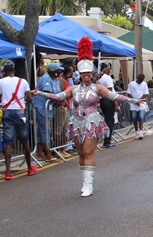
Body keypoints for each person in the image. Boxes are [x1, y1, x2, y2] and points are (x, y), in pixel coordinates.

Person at [34, 37, 145, 196]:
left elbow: (114, 96)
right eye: (83, 73)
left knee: (88, 152)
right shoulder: (73, 88)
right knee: (80, 153)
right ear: (80, 74)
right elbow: (58, 96)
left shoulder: (97, 88)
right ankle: (84, 182)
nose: (86, 75)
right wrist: (39, 93)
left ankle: (89, 185)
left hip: (92, 122)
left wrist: (134, 100)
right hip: (77, 122)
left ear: (91, 73)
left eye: (88, 72)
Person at [0, 60, 36, 180]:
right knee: (25, 141)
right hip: (20, 112)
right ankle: (29, 168)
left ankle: (8, 172)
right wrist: (29, 95)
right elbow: (29, 99)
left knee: (8, 143)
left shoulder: (1, 82)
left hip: (7, 111)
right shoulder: (23, 81)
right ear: (14, 71)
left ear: (4, 72)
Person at [32, 62, 63, 162]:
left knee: (44, 130)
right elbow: (48, 93)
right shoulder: (46, 79)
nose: (60, 72)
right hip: (41, 108)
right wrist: (58, 100)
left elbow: (58, 93)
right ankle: (48, 154)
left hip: (48, 108)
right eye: (58, 71)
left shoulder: (55, 80)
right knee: (45, 130)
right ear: (54, 71)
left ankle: (39, 153)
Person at [98, 62, 117, 148]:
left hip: (102, 100)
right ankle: (107, 141)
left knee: (107, 120)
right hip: (108, 100)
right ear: (104, 69)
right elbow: (110, 92)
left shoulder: (101, 78)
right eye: (109, 68)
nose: (110, 70)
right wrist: (115, 104)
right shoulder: (107, 78)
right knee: (110, 121)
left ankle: (107, 139)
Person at [127, 73, 150, 140]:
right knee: (134, 118)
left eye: (141, 81)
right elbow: (129, 93)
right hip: (133, 103)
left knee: (141, 117)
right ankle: (136, 131)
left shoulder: (144, 84)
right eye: (139, 80)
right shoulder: (132, 84)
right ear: (137, 78)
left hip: (141, 103)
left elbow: (146, 93)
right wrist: (135, 101)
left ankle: (141, 131)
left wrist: (140, 100)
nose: (140, 82)